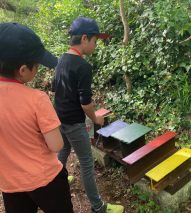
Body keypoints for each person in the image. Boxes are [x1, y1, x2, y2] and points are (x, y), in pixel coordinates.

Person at [0, 22, 73, 212]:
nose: (37, 69)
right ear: (23, 70)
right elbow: (56, 145)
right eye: (37, 65)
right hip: (46, 180)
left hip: (10, 184)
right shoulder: (37, 99)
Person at [52, 17, 124, 213]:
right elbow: (85, 104)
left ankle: (60, 179)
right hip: (75, 123)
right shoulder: (83, 66)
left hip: (58, 118)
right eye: (95, 41)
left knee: (63, 151)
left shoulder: (61, 60)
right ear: (84, 39)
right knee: (86, 163)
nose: (95, 45)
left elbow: (54, 90)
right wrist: (96, 119)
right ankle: (98, 207)